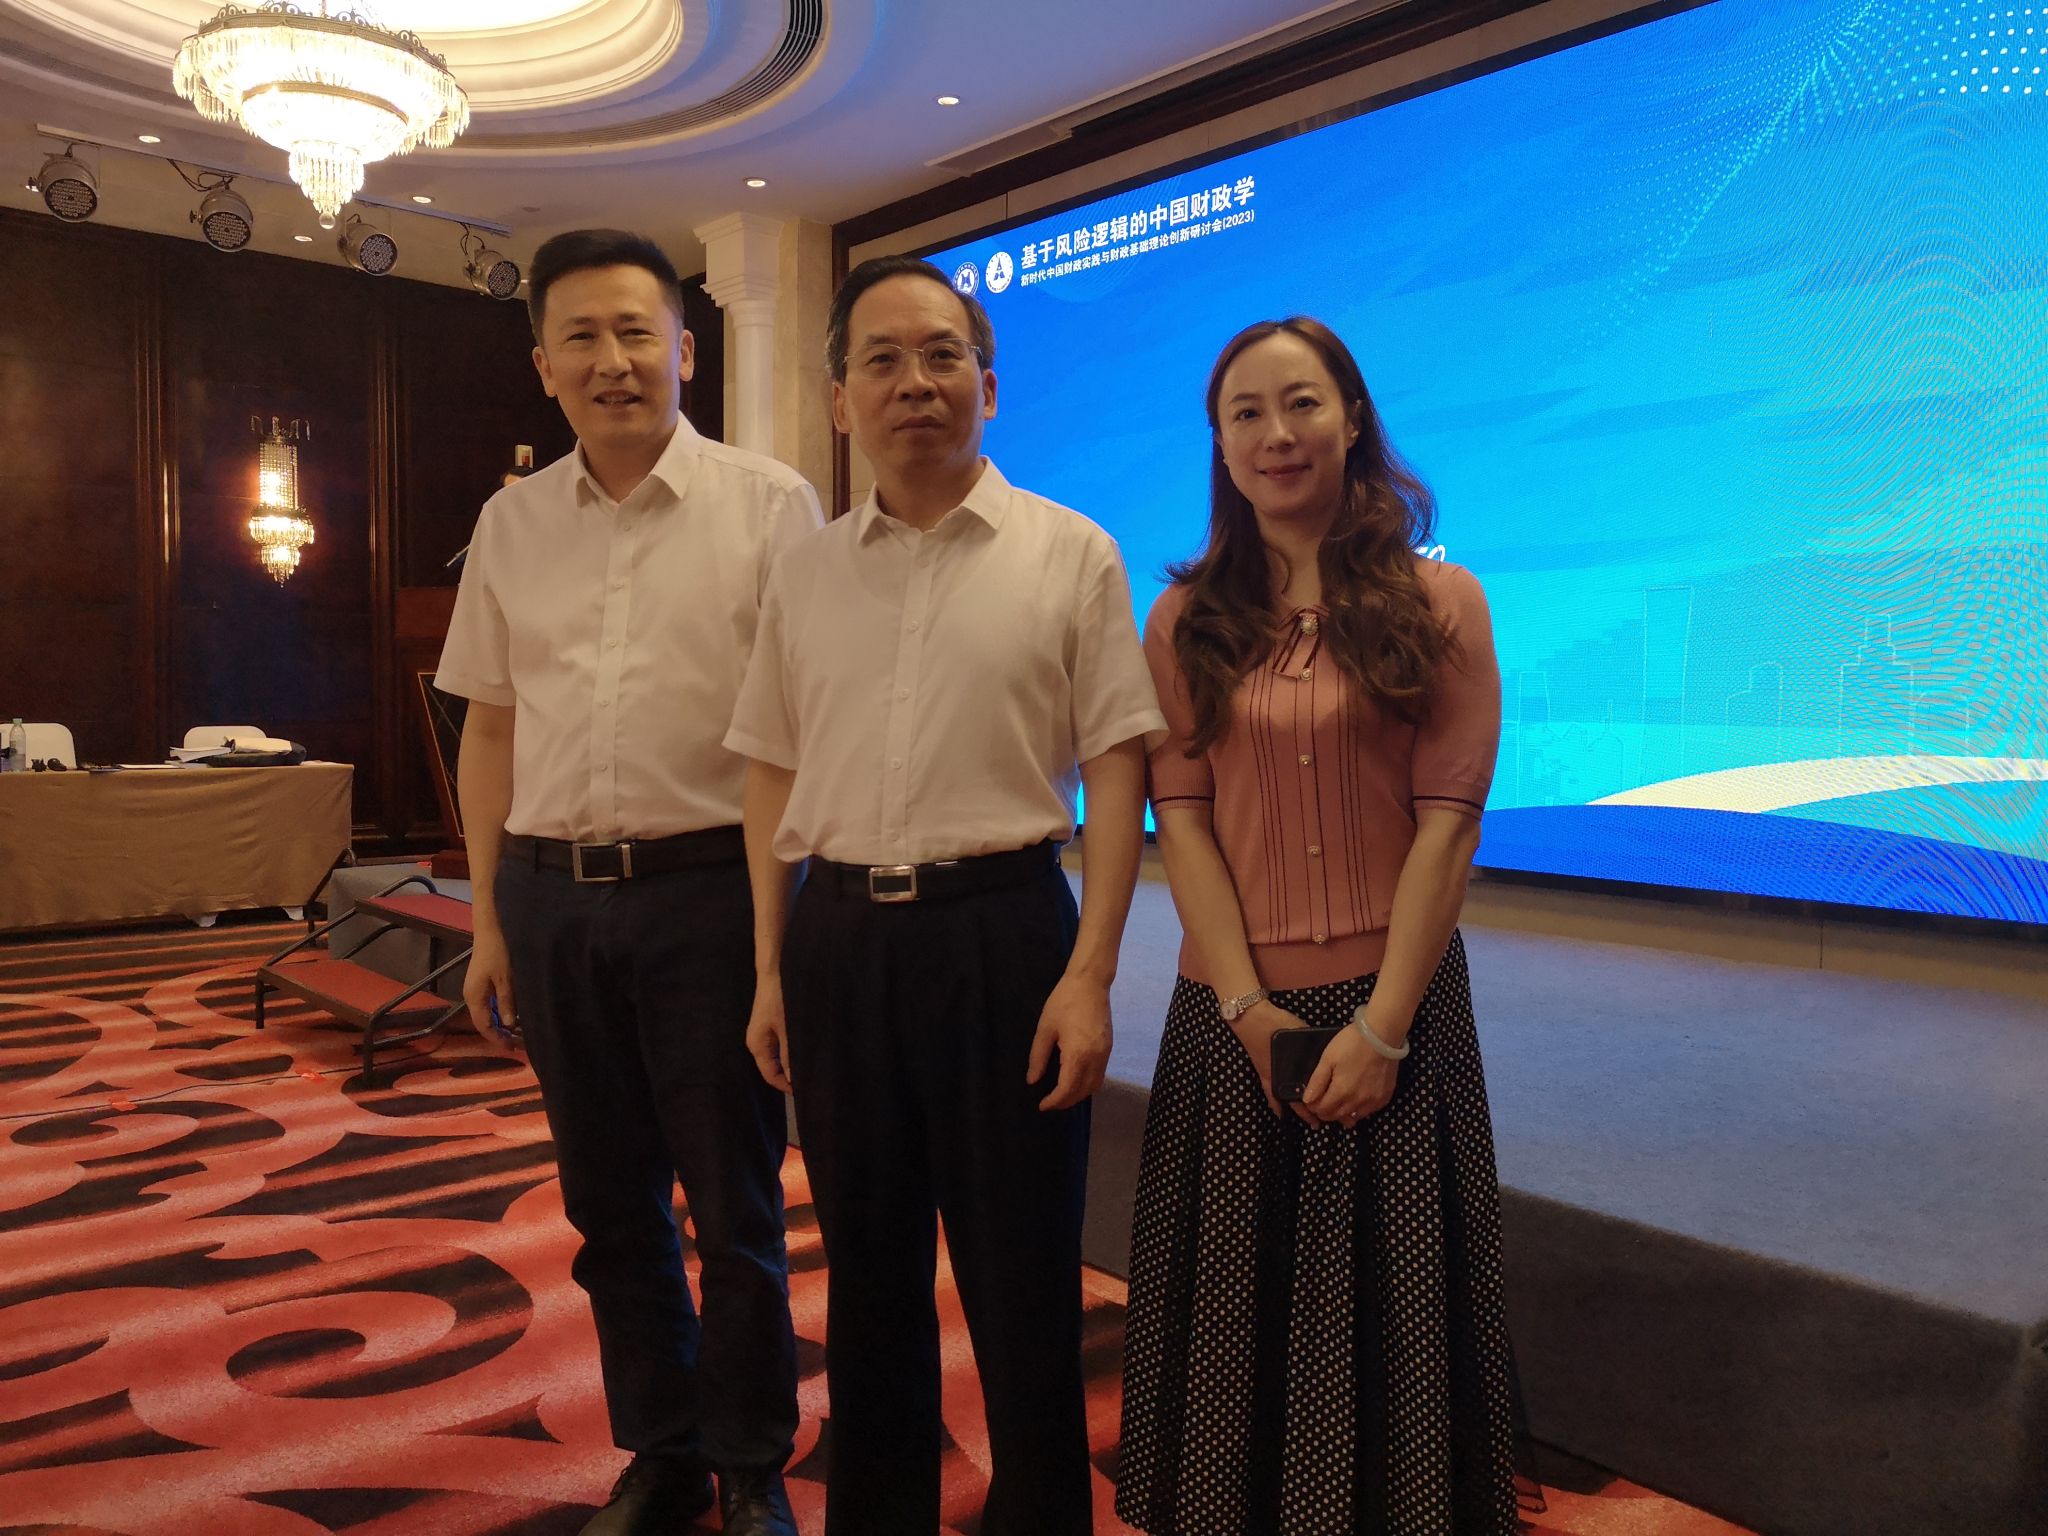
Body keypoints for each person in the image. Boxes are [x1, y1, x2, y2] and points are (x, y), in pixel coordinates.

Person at [724, 254, 1166, 1536]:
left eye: (940, 355)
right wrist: (769, 966)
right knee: (866, 1280)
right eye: (881, 360)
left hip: (1005, 938)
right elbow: (770, 771)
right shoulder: (804, 572)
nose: (913, 381)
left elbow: (1117, 770)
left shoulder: (1071, 552)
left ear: (988, 383)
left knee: (1021, 1281)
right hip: (838, 941)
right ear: (840, 399)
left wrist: (1089, 975)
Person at [1115, 317, 1532, 1533]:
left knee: (1392, 1298)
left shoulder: (1438, 602)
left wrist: (1384, 1028)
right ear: (1219, 446)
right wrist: (1248, 1011)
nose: (1275, 434)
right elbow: (1181, 822)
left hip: (1394, 1006)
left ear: (1351, 418)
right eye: (1243, 413)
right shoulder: (1182, 619)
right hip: (1228, 1015)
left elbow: (1445, 826)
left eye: (1300, 403)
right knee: (1235, 1298)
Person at [435, 228, 819, 1536]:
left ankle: (751, 1460)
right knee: (608, 1206)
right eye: (582, 339)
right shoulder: (511, 523)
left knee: (736, 1206)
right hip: (552, 903)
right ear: (545, 365)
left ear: (685, 352)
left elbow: (794, 739)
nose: (613, 361)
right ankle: (662, 1450)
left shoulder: (769, 506)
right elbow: (489, 728)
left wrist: (774, 949)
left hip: (709, 892)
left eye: (636, 332)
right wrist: (491, 918)